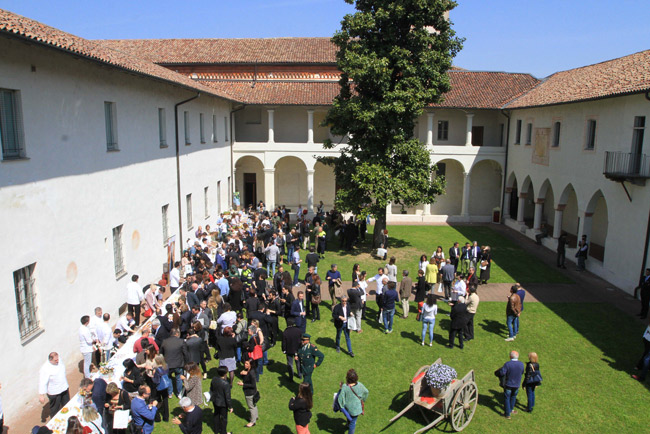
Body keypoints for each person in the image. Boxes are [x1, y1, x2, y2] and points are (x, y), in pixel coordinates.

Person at [39, 352, 70, 419]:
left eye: (58, 359)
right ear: (50, 360)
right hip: (54, 392)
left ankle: (68, 418)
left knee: (67, 404)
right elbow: (42, 382)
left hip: (64, 387)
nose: (57, 361)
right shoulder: (45, 368)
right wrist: (41, 395)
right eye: (55, 360)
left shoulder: (58, 360)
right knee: (55, 409)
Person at [337, 369, 369, 434]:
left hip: (347, 408)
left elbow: (340, 399)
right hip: (356, 409)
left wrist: (342, 407)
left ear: (347, 378)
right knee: (353, 422)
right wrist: (363, 399)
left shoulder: (345, 387)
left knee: (350, 420)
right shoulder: (360, 385)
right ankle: (348, 424)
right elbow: (366, 392)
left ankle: (348, 424)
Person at [160, 328, 189, 397]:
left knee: (169, 378)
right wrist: (186, 363)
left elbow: (160, 353)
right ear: (177, 334)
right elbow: (186, 354)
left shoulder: (164, 341)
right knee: (178, 378)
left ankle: (170, 393)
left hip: (167, 364)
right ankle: (179, 393)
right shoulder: (181, 341)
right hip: (178, 364)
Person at [496, 351, 525, 419]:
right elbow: (522, 372)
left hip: (509, 384)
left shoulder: (508, 364)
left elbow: (502, 373)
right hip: (517, 384)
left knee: (507, 398)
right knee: (513, 397)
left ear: (510, 356)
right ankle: (511, 409)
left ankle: (507, 414)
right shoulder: (521, 364)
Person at [210, 366, 233, 434]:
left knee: (216, 415)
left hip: (215, 400)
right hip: (222, 404)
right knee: (223, 419)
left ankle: (216, 430)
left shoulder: (214, 379)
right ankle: (223, 432)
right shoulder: (226, 384)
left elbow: (211, 389)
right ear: (225, 373)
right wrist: (230, 407)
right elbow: (227, 397)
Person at [237, 359, 258, 427]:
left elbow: (253, 385)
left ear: (250, 365)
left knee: (251, 407)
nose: (245, 365)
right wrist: (243, 374)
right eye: (245, 363)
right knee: (253, 405)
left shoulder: (251, 373)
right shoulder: (249, 371)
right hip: (251, 392)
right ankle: (255, 417)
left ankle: (252, 422)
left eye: (247, 364)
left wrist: (243, 384)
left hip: (250, 393)